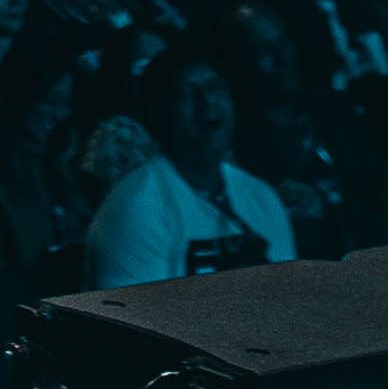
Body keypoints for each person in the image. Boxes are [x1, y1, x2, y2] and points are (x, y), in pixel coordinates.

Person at [75, 59, 294, 287]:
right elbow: (131, 318)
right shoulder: (136, 208)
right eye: (187, 94)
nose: (207, 102)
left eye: (214, 88)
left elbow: (289, 297)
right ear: (159, 112)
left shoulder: (261, 197)